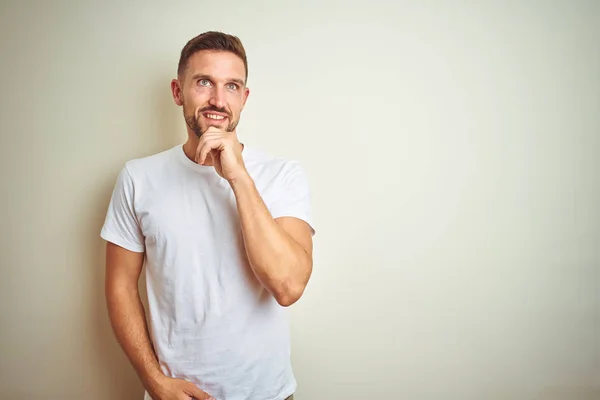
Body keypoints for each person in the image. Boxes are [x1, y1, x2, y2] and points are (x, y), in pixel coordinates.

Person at [100, 31, 315, 400]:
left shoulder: (283, 175)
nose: (218, 99)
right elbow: (120, 286)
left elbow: (288, 286)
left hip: (266, 394)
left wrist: (238, 177)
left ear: (244, 98)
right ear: (177, 91)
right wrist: (155, 381)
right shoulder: (138, 177)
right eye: (204, 82)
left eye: (232, 86)